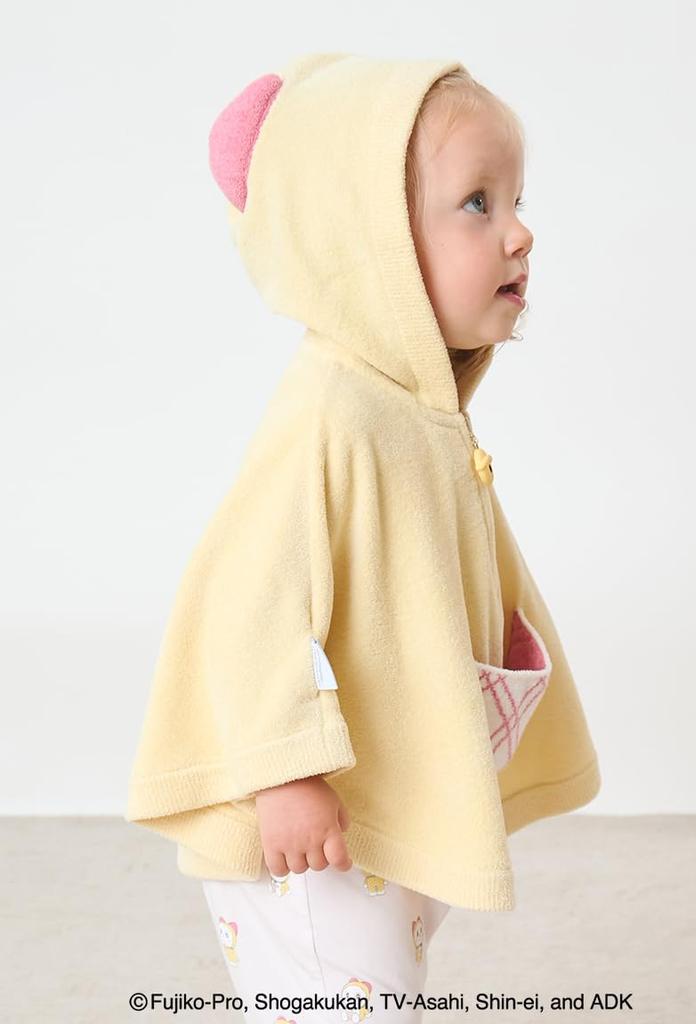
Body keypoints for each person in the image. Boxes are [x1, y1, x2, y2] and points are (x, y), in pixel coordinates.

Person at [124, 52, 601, 1022]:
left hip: (369, 827)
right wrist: (283, 772)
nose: (519, 232)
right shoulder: (329, 417)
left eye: (514, 200)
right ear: (370, 240)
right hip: (311, 834)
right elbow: (244, 604)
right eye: (476, 203)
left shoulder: (414, 408)